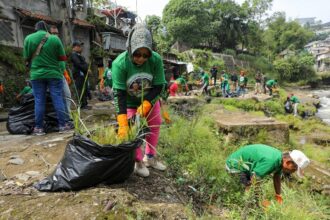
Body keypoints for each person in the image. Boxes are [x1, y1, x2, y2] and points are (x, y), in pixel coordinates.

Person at [112, 23, 167, 177]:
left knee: (155, 125)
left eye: (145, 55)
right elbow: (119, 94)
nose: (141, 59)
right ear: (130, 48)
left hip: (149, 99)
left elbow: (159, 86)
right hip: (129, 102)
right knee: (132, 131)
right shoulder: (119, 64)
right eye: (137, 54)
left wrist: (147, 104)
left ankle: (150, 158)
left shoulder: (156, 60)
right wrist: (122, 120)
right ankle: (138, 162)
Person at [23, 20, 71, 135]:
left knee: (39, 101)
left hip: (36, 75)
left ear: (36, 28)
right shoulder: (54, 38)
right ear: (47, 29)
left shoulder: (28, 38)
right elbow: (63, 58)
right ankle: (63, 126)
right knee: (57, 98)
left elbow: (26, 58)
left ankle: (39, 128)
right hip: (54, 74)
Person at [226, 144, 310, 204]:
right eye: (294, 169)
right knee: (249, 188)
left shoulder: (280, 159)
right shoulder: (271, 161)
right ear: (287, 162)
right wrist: (260, 200)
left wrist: (278, 195)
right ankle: (244, 206)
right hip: (234, 165)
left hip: (247, 167)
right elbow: (255, 178)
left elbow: (276, 177)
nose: (293, 172)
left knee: (252, 188)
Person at [50, 25, 72, 122]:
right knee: (59, 97)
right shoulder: (48, 46)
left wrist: (65, 72)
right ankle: (64, 119)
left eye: (57, 33)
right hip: (54, 74)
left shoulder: (58, 44)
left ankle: (67, 115)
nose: (56, 35)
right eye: (53, 33)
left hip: (61, 73)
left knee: (67, 95)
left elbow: (62, 60)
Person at [71, 40, 89, 109]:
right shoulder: (74, 55)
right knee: (80, 90)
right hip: (78, 75)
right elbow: (79, 64)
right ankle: (82, 105)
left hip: (82, 75)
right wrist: (87, 69)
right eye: (78, 46)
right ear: (74, 47)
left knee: (84, 89)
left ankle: (85, 104)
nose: (80, 48)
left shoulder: (79, 55)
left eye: (80, 46)